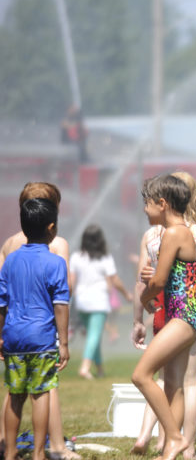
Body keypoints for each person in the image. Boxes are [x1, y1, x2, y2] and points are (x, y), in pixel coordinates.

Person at [131, 171, 196, 459]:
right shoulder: (183, 232)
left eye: (146, 204)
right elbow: (167, 276)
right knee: (174, 384)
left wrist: (145, 300)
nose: (144, 210)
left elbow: (157, 282)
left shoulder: (173, 233)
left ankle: (174, 437)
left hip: (182, 317)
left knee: (141, 375)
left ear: (162, 203)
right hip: (186, 316)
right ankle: (172, 448)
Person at [0, 182, 80, 460]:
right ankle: (39, 453)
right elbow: (62, 300)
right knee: (42, 394)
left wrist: (0, 336)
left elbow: (2, 300)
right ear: (51, 225)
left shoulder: (9, 254)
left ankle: (8, 452)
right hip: (42, 337)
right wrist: (65, 342)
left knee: (14, 393)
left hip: (13, 335)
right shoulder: (56, 254)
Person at [70, 224, 132, 379]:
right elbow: (115, 279)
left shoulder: (76, 257)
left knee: (94, 335)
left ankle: (100, 370)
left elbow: (71, 282)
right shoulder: (105, 257)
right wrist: (126, 294)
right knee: (94, 335)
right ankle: (85, 367)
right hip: (98, 302)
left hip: (82, 302)